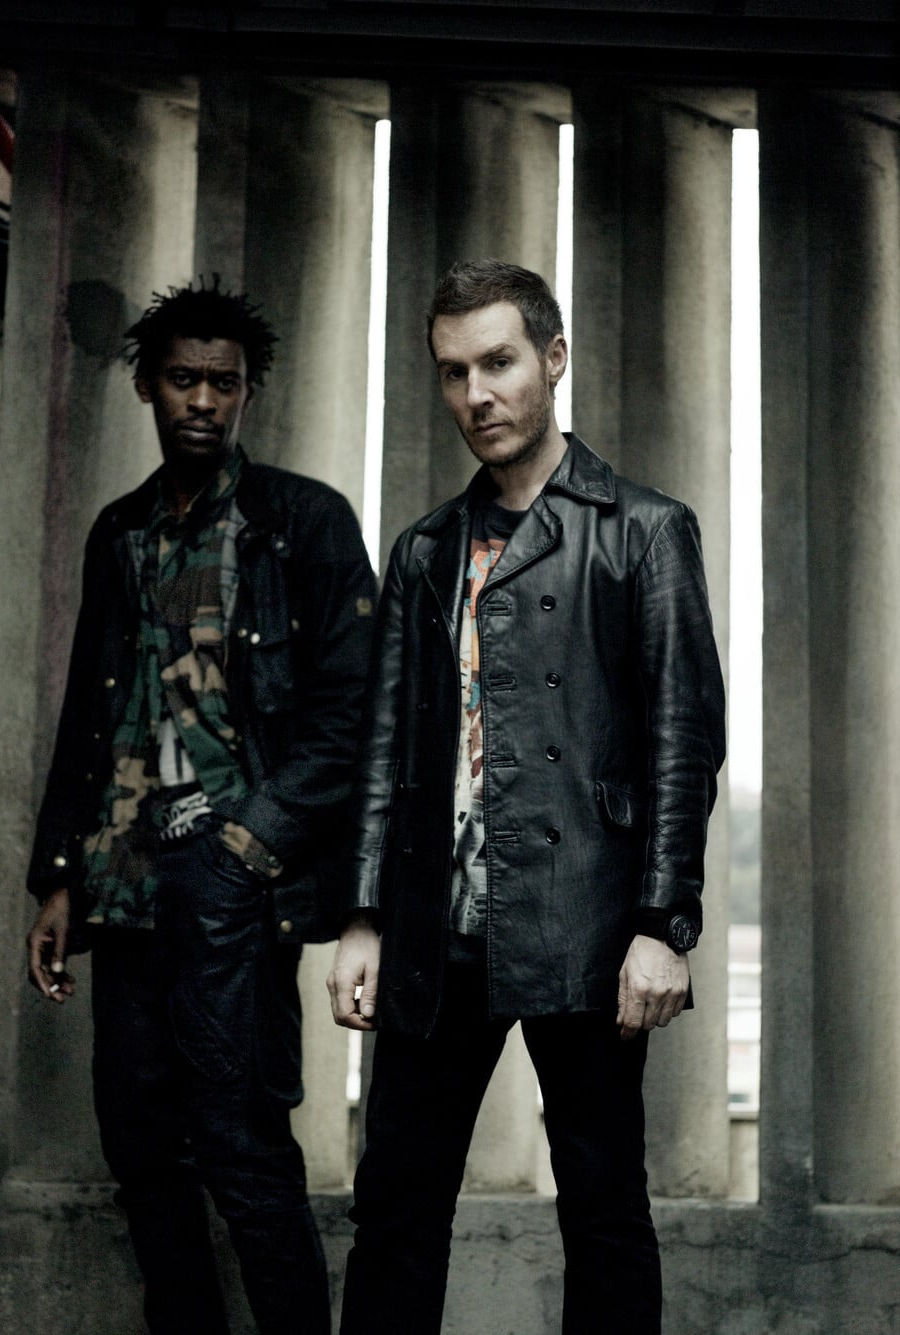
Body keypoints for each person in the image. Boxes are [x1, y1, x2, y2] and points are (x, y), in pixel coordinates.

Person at [327, 259, 726, 1334]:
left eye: (498, 363)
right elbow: (385, 747)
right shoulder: (424, 550)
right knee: (394, 1207)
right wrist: (361, 915)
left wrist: (662, 925)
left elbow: (685, 743)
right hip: (435, 928)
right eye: (453, 372)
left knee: (603, 1209)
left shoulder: (642, 529)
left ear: (552, 360)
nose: (476, 394)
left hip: (584, 921)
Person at [26, 278, 377, 1335]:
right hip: (125, 876)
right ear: (147, 385)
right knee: (141, 1150)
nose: (204, 401)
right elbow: (91, 713)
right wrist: (57, 878)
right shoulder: (120, 531)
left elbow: (350, 713)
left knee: (244, 1149)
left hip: (233, 880)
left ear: (247, 393)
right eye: (184, 379)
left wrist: (247, 843)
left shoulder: (301, 523)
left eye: (224, 383)